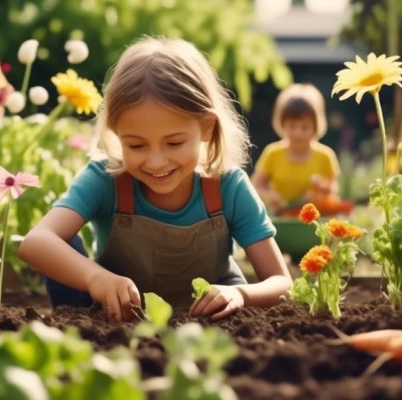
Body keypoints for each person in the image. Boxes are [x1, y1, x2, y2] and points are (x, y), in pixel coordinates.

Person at [18, 37, 292, 322]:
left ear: (206, 128)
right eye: (136, 145)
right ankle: (72, 331)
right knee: (63, 244)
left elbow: (282, 283)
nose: (156, 161)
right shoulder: (105, 178)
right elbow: (35, 242)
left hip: (211, 322)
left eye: (174, 143)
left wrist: (241, 295)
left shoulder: (227, 185)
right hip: (115, 320)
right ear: (115, 132)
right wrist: (96, 278)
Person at [251, 83, 341, 213]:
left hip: (314, 220)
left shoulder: (326, 155)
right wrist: (269, 196)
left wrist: (323, 191)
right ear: (282, 125)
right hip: (280, 217)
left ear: (315, 126)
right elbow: (254, 186)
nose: (298, 133)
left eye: (305, 127)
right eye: (292, 126)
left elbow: (334, 192)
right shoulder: (272, 153)